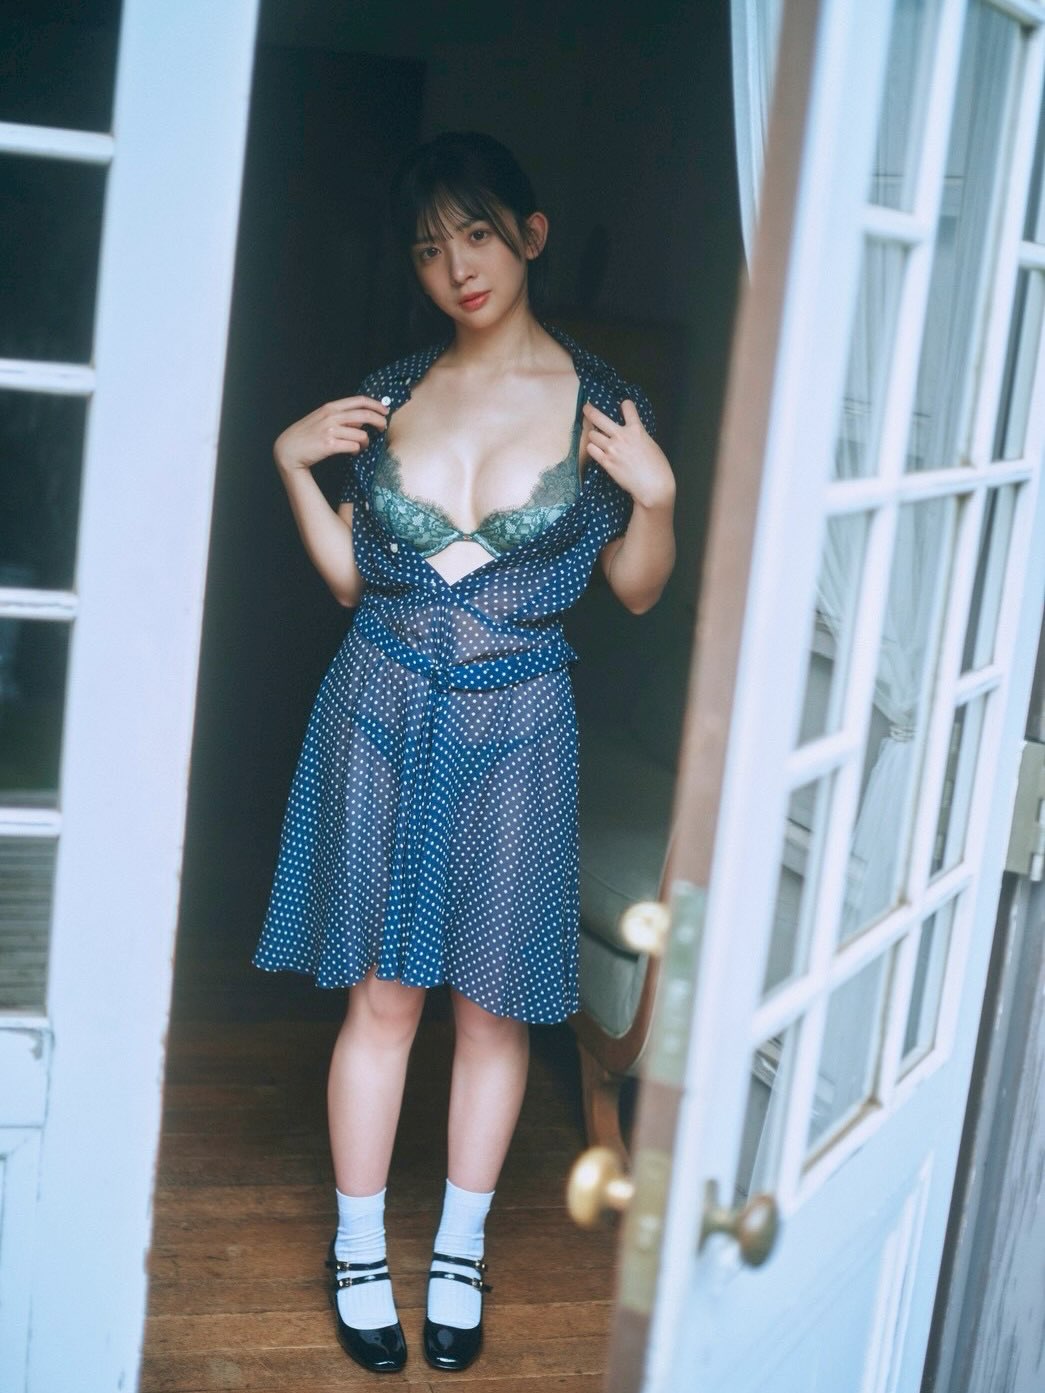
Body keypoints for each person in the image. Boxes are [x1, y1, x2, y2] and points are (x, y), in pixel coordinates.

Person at [252, 130, 676, 1374]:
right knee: (382, 997)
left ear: (531, 235)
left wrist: (657, 500)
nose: (457, 268)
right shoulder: (388, 392)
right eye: (430, 247)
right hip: (377, 704)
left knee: (492, 1008)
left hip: (518, 724)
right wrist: (290, 464)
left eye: (478, 234)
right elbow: (351, 581)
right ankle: (356, 1251)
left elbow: (639, 592)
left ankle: (459, 1251)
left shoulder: (603, 405)